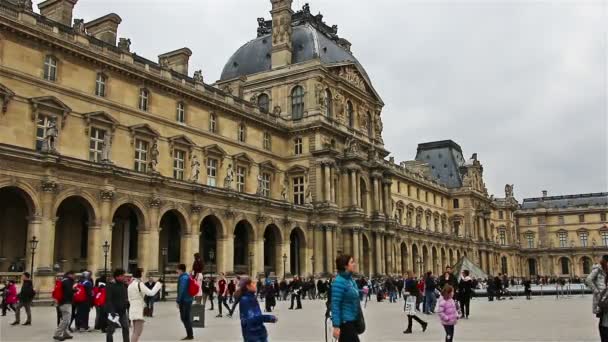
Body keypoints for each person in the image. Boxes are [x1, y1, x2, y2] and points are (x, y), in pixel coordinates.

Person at [331, 254, 362, 342]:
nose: (354, 264)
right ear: (345, 266)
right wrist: (336, 326)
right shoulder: (339, 282)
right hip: (345, 323)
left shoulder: (350, 280)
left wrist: (362, 291)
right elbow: (335, 305)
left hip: (352, 321)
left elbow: (351, 294)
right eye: (352, 262)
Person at [128, 268, 162, 342]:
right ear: (140, 275)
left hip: (132, 309)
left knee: (135, 332)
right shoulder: (139, 284)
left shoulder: (130, 285)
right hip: (138, 310)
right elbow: (151, 293)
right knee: (137, 332)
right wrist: (158, 284)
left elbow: (129, 298)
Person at [238, 277, 278, 342]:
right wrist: (269, 318)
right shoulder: (245, 300)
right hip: (253, 335)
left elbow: (256, 316)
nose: (255, 285)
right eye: (253, 283)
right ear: (248, 286)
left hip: (258, 333)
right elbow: (251, 319)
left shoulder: (251, 297)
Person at [586, 255, 608, 341]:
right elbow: (588, 279)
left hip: (605, 296)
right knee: (603, 318)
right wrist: (596, 291)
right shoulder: (598, 269)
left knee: (604, 319)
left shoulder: (605, 270)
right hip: (602, 298)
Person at [105, 268, 129, 342]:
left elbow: (125, 297)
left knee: (125, 327)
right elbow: (108, 299)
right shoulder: (110, 286)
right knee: (111, 330)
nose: (124, 277)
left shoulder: (124, 285)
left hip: (122, 311)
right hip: (113, 312)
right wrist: (112, 311)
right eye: (122, 276)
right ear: (117, 276)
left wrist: (126, 305)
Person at [53, 271, 75, 341]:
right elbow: (68, 292)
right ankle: (57, 334)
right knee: (66, 320)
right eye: (73, 275)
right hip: (66, 303)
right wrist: (74, 291)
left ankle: (66, 333)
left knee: (65, 318)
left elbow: (65, 291)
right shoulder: (68, 281)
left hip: (62, 302)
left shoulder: (63, 281)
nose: (74, 276)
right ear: (70, 275)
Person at [176, 263, 194, 340]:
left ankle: (190, 335)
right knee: (185, 318)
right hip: (188, 300)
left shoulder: (183, 278)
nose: (176, 271)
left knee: (185, 318)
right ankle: (190, 334)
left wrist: (178, 301)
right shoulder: (186, 277)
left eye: (177, 269)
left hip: (185, 301)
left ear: (180, 270)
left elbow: (182, 290)